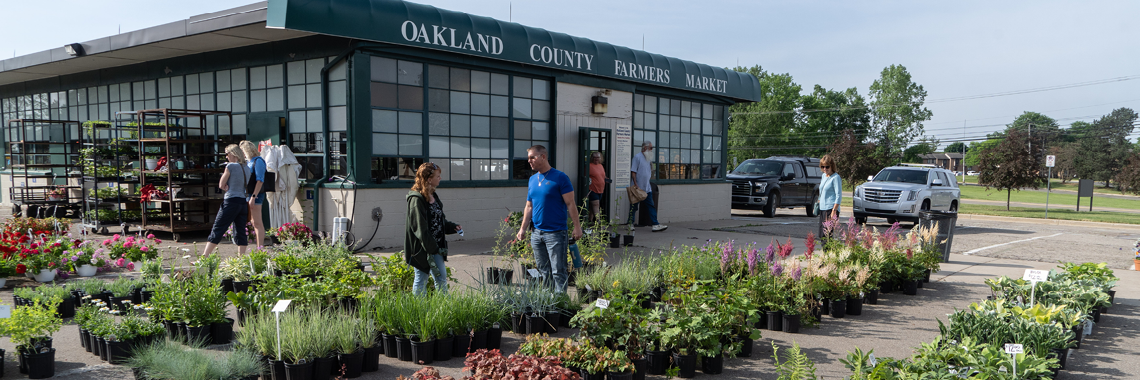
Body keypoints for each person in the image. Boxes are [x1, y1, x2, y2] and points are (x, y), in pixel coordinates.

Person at [516, 145, 583, 293]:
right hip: (536, 233)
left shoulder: (560, 177)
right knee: (543, 270)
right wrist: (522, 229)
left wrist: (577, 227)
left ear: (543, 157)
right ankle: (548, 301)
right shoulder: (533, 180)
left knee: (558, 270)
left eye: (532, 157)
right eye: (528, 158)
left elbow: (570, 203)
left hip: (556, 233)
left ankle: (559, 304)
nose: (529, 161)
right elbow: (529, 206)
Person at [405, 162, 460, 295]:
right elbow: (420, 228)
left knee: (441, 278)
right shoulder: (416, 199)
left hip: (436, 247)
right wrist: (433, 249)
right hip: (423, 248)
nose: (440, 178)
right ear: (429, 179)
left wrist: (453, 227)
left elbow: (438, 220)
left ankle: (443, 308)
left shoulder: (433, 195)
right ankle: (419, 310)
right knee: (422, 279)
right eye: (438, 176)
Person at [203, 144, 251, 256]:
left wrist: (225, 186)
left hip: (231, 201)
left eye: (227, 154)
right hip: (242, 202)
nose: (226, 157)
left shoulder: (230, 166)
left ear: (233, 154)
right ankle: (241, 259)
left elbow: (221, 184)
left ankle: (204, 257)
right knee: (241, 231)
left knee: (218, 227)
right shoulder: (247, 168)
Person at [628, 141, 667, 232]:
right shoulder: (637, 157)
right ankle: (630, 223)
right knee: (634, 206)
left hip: (647, 187)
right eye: (650, 148)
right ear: (645, 148)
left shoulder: (648, 159)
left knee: (651, 205)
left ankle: (655, 224)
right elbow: (633, 172)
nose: (652, 150)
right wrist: (635, 184)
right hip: (637, 187)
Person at [240, 141, 267, 248]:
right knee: (253, 221)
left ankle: (260, 248)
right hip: (248, 194)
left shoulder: (258, 161)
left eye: (242, 151)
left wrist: (253, 197)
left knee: (257, 222)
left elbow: (260, 180)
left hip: (255, 194)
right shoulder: (249, 162)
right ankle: (258, 247)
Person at [818, 154, 842, 238]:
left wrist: (834, 210)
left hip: (830, 208)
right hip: (822, 208)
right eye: (822, 167)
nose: (825, 169)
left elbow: (838, 195)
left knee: (827, 235)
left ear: (832, 166)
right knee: (821, 235)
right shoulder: (823, 176)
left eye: (827, 167)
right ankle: (826, 251)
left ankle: (829, 251)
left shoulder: (836, 177)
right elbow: (821, 190)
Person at [587, 151, 608, 223]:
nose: (596, 159)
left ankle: (590, 220)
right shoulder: (589, 166)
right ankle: (598, 221)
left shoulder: (600, 166)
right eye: (594, 157)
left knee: (592, 207)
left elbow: (602, 175)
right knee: (596, 204)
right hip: (592, 189)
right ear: (592, 158)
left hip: (601, 189)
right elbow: (585, 177)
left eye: (598, 157)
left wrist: (606, 179)